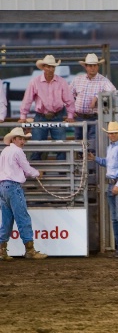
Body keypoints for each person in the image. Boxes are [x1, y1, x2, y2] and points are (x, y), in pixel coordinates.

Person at [89, 121, 118, 259]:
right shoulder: (114, 148)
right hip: (115, 183)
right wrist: (96, 159)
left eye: (114, 133)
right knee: (117, 218)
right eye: (110, 133)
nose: (112, 135)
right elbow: (110, 164)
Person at [0, 127, 47, 260]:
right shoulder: (17, 151)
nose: (23, 141)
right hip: (13, 187)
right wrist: (37, 173)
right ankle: (30, 250)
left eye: (23, 139)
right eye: (20, 139)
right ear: (14, 139)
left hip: (3, 186)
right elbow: (27, 169)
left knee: (6, 220)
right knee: (23, 218)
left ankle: (1, 250)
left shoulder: (5, 151)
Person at [18, 54, 76, 161]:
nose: (50, 69)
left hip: (57, 115)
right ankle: (37, 173)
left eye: (52, 67)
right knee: (37, 145)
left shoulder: (61, 82)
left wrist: (70, 114)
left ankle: (62, 174)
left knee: (61, 147)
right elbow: (28, 99)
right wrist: (23, 115)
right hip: (42, 116)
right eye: (48, 66)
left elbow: (69, 100)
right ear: (44, 67)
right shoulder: (35, 82)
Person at [71, 53, 117, 153]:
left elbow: (113, 91)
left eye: (95, 65)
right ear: (86, 67)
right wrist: (71, 111)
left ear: (98, 67)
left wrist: (97, 97)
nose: (92, 68)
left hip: (94, 116)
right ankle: (80, 165)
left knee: (92, 144)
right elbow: (69, 95)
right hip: (78, 116)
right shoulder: (78, 79)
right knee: (79, 142)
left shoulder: (103, 80)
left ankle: (91, 167)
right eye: (90, 65)